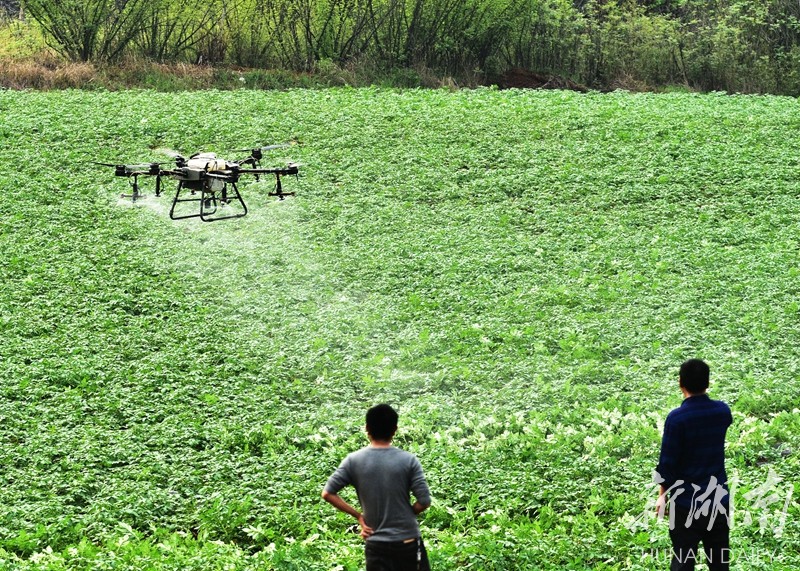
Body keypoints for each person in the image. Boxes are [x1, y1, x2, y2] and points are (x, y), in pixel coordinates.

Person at [322, 403, 432, 571]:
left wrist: (359, 516)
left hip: (376, 544)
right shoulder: (409, 460)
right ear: (395, 429)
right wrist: (407, 513)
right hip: (408, 542)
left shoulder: (353, 461)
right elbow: (424, 501)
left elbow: (328, 493)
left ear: (367, 428)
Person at [655, 359, 733, 571]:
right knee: (719, 563)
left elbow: (667, 464)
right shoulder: (722, 412)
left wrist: (662, 496)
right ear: (707, 383)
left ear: (680, 382)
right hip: (717, 501)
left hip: (685, 504)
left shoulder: (677, 419)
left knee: (683, 560)